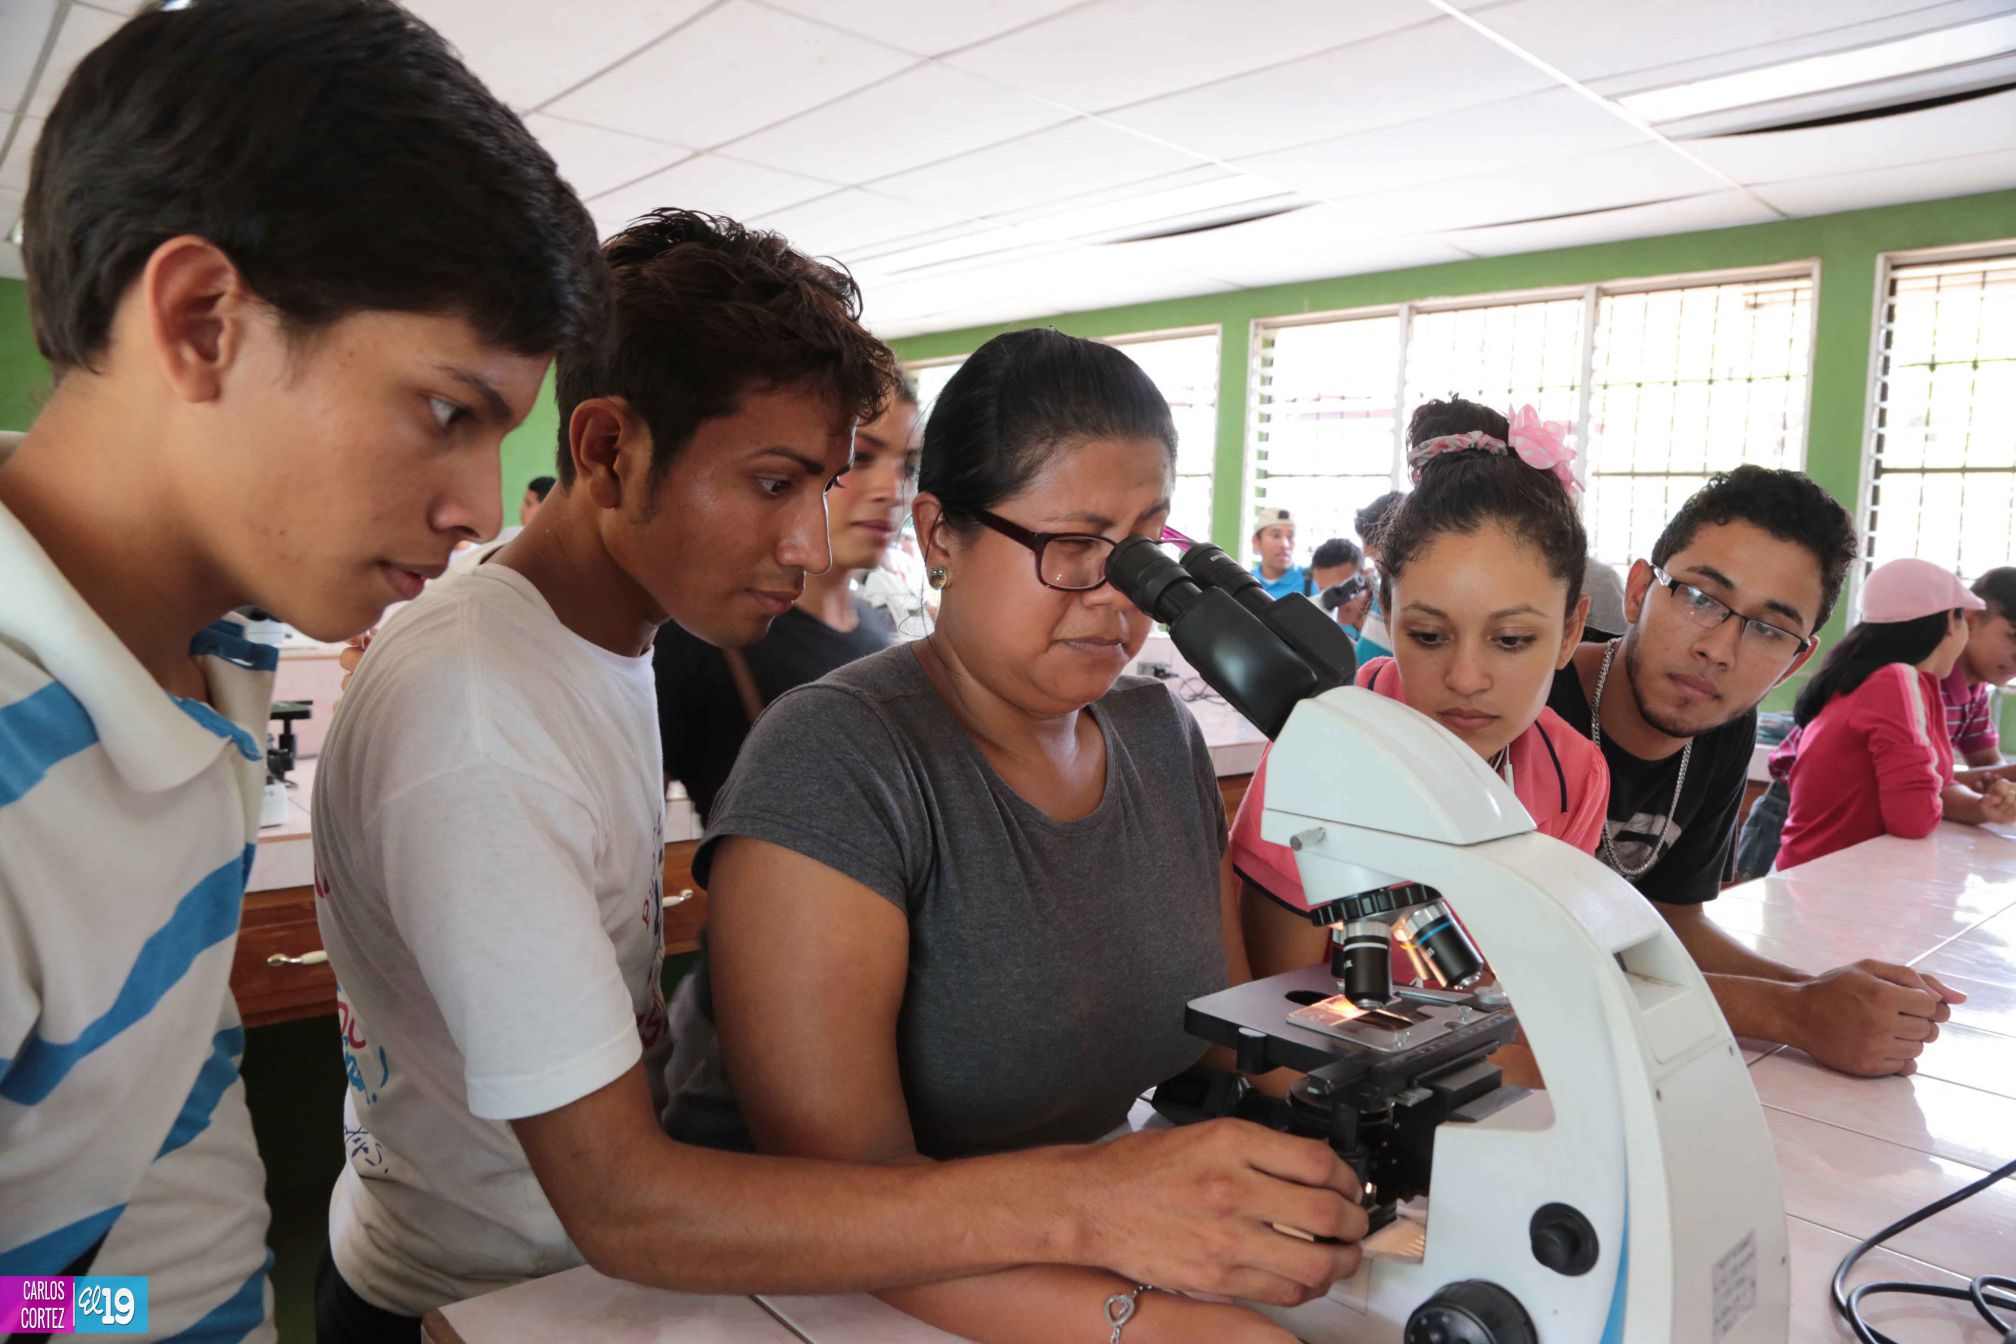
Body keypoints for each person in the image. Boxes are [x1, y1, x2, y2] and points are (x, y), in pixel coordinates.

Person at [312, 216, 1362, 1342]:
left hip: (625, 1280)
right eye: (771, 483)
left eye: (819, 484)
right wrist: (1097, 1233)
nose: (812, 546)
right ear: (609, 449)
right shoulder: (484, 717)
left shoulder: (603, 645)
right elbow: (625, 1203)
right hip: (483, 1300)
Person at [0, 1, 606, 1336]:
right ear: (206, 317)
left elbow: (146, 1202)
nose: (476, 507)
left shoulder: (191, 674)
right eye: (450, 412)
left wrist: (101, 1317)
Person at [664, 328, 1368, 1344]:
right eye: (1073, 547)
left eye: (1146, 551)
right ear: (940, 533)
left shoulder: (1157, 732)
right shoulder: (838, 759)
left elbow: (1231, 1036)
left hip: (1060, 1251)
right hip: (800, 1296)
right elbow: (844, 1204)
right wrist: (1163, 1326)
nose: (1117, 595)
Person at [1548, 467, 1964, 1077]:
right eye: (1699, 598)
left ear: (1797, 661)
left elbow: (1671, 919)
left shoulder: (1720, 729)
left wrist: (1828, 994)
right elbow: (1510, 958)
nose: (1718, 649)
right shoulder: (1527, 701)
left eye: (1770, 629)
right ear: (1639, 589)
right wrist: (1791, 1012)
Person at [1236, 399, 1609, 994]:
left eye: (1511, 639)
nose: (1465, 677)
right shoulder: (1318, 751)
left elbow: (1536, 983)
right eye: (1429, 636)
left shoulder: (1574, 777)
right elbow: (1282, 1009)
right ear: (1387, 610)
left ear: (1569, 631)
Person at [656, 386, 914, 822]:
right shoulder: (707, 635)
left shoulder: (874, 634)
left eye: (907, 465)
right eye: (862, 458)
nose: (892, 490)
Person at [1737, 565, 2016, 877]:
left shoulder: (1916, 685)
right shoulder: (1895, 681)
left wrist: (1982, 806)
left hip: (1833, 872)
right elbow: (1914, 817)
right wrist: (1946, 795)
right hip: (1816, 875)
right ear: (1951, 621)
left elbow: (1937, 783)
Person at [1350, 489, 1405, 662]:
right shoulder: (1385, 585)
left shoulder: (1405, 593)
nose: (1365, 551)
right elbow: (1375, 653)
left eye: (1371, 540)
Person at [1309, 536, 1372, 631]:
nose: (1333, 601)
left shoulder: (1389, 616)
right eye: (1324, 592)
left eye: (1339, 591)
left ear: (1363, 577)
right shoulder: (1327, 622)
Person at [1250, 505, 1307, 598]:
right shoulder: (1245, 581)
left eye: (1290, 536)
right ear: (1256, 541)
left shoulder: (1312, 582)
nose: (1285, 545)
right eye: (1276, 535)